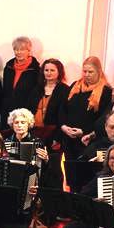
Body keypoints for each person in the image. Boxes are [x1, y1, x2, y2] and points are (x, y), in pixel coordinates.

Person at [59, 56, 113, 175]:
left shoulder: (106, 91)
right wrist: (64, 126)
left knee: (85, 175)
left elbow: (102, 118)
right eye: (84, 71)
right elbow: (63, 108)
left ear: (98, 71)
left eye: (90, 72)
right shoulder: (75, 86)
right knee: (70, 174)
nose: (87, 75)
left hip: (88, 140)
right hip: (69, 138)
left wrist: (84, 132)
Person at [27, 58, 70, 187]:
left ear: (59, 72)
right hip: (36, 134)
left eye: (52, 70)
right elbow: (29, 110)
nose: (49, 73)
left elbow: (64, 116)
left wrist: (58, 137)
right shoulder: (37, 88)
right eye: (46, 70)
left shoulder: (64, 90)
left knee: (53, 168)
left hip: (54, 135)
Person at [1, 36, 42, 121]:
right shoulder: (8, 67)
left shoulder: (35, 69)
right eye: (16, 49)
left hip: (26, 113)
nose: (19, 52)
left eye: (22, 50)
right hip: (8, 112)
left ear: (29, 50)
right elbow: (5, 91)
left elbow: (37, 93)